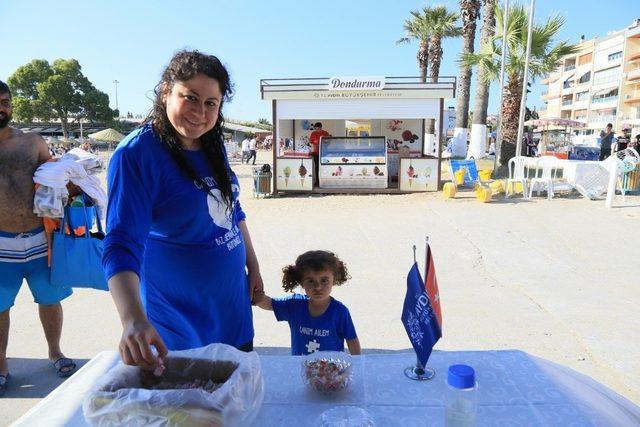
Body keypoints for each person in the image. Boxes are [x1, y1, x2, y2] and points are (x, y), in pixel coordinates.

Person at [103, 50, 264, 371]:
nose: (200, 113)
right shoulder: (137, 154)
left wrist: (253, 266)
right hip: (178, 318)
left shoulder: (211, 141)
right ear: (166, 92)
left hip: (232, 307)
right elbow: (120, 244)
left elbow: (233, 211)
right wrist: (132, 319)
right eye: (189, 97)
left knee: (235, 401)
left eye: (211, 103)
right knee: (189, 409)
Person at [0, 80, 76, 395]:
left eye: (4, 101)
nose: (0, 107)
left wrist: (73, 184)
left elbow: (56, 181)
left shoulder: (32, 142)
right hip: (1, 246)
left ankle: (55, 351)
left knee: (50, 300)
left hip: (40, 240)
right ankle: (1, 364)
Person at [254, 250, 361, 356]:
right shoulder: (295, 304)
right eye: (310, 281)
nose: (318, 287)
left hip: (331, 370)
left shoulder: (340, 312)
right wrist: (255, 295)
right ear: (301, 282)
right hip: (300, 369)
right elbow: (269, 304)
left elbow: (352, 340)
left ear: (334, 279)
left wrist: (358, 366)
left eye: (324, 280)